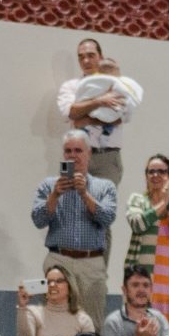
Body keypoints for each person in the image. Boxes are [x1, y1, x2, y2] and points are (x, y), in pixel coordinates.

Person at [33, 132, 120, 321]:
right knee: (54, 320)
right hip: (58, 260)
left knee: (92, 323)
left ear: (89, 153)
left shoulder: (105, 187)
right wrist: (55, 195)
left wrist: (85, 194)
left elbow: (107, 218)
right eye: (68, 151)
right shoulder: (49, 185)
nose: (73, 155)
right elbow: (38, 220)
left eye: (78, 150)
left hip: (91, 262)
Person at [55, 36, 139, 185]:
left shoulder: (117, 85)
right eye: (81, 57)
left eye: (91, 55)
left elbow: (121, 118)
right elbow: (71, 113)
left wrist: (84, 118)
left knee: (103, 200)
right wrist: (99, 101)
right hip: (72, 156)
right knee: (66, 197)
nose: (86, 61)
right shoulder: (70, 86)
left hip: (107, 156)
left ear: (101, 57)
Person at [123, 155, 169, 323]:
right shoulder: (138, 200)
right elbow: (138, 224)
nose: (155, 175)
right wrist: (163, 203)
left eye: (161, 171)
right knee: (136, 325)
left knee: (164, 328)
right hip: (140, 277)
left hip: (166, 281)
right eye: (151, 171)